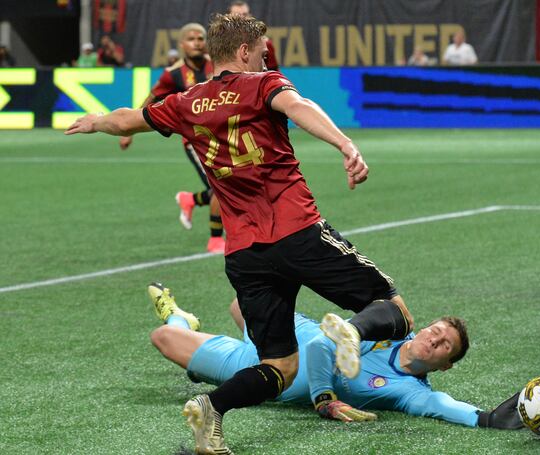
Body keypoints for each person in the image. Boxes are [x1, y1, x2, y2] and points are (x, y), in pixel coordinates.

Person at [65, 13, 414, 454]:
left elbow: (126, 119)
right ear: (244, 51)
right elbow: (300, 107)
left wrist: (96, 121)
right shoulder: (262, 84)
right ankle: (348, 333)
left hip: (245, 253)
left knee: (280, 366)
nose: (267, 56)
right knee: (394, 308)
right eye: (263, 50)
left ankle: (211, 408)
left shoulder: (186, 101)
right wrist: (345, 144)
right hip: (296, 230)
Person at [148, 283, 524, 431]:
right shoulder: (391, 330)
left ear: (445, 364)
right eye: (435, 330)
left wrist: (489, 419)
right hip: (296, 331)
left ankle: (179, 319)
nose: (434, 339)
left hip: (265, 371)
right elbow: (319, 345)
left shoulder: (410, 391)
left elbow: (444, 406)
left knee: (163, 337)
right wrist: (324, 399)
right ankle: (188, 322)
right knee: (238, 304)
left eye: (445, 346)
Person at [118, 23, 225, 254]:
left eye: (200, 38)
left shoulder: (216, 63)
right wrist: (130, 130)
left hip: (221, 137)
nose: (197, 42)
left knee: (231, 184)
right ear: (181, 44)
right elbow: (152, 98)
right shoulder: (174, 74)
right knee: (222, 187)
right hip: (195, 142)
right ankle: (216, 239)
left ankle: (191, 199)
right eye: (191, 38)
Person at [228, 0, 279, 71]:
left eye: (245, 14)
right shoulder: (221, 44)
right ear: (228, 17)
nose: (241, 18)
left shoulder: (265, 44)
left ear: (249, 16)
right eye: (237, 15)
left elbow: (274, 74)